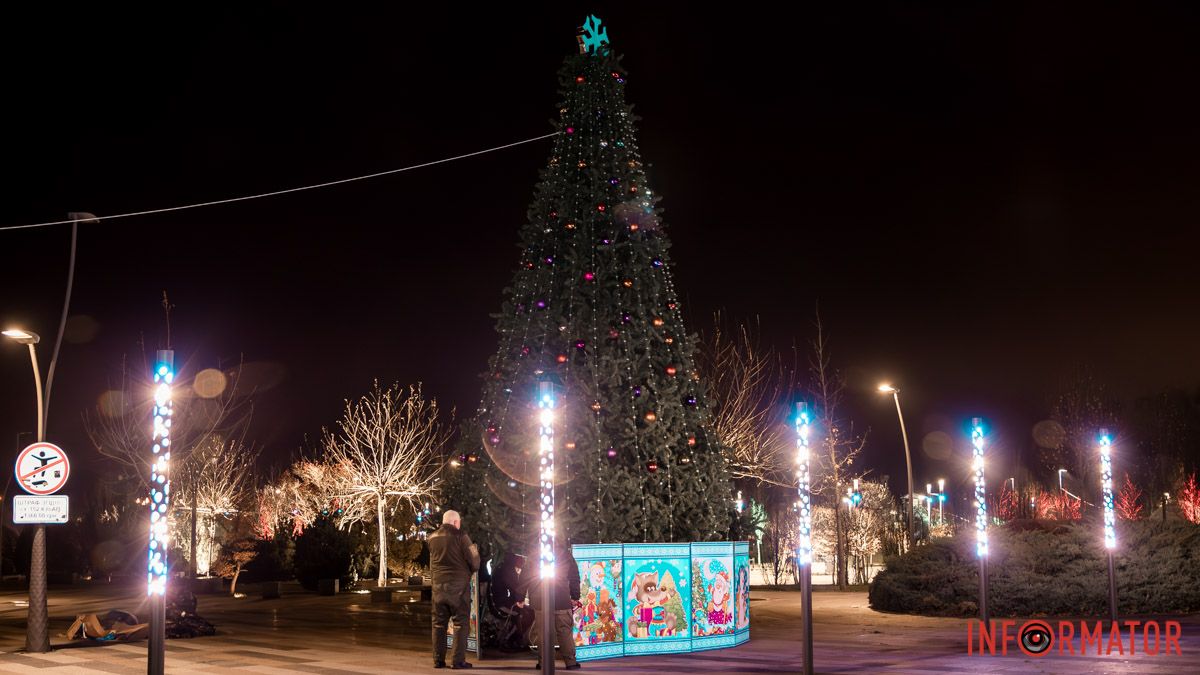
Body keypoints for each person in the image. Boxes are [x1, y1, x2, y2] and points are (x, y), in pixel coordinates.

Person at [428, 510, 480, 670]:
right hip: (458, 590)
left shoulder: (431, 538)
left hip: (438, 590)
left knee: (438, 624)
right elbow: (475, 560)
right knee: (460, 624)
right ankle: (457, 661)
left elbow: (432, 563)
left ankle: (438, 660)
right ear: (456, 522)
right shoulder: (462, 536)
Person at [525, 541, 582, 670]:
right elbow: (574, 577)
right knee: (564, 632)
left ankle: (543, 662)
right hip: (561, 599)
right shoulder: (565, 555)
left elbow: (526, 576)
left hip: (540, 601)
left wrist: (520, 596)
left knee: (543, 632)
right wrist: (575, 596)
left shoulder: (534, 555)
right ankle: (571, 662)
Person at [489, 552, 535, 647]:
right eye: (521, 558)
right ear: (516, 558)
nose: (523, 561)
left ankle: (515, 637)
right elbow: (516, 588)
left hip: (496, 601)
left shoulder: (501, 567)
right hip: (501, 604)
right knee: (529, 613)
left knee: (524, 609)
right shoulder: (508, 570)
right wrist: (521, 600)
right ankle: (512, 639)